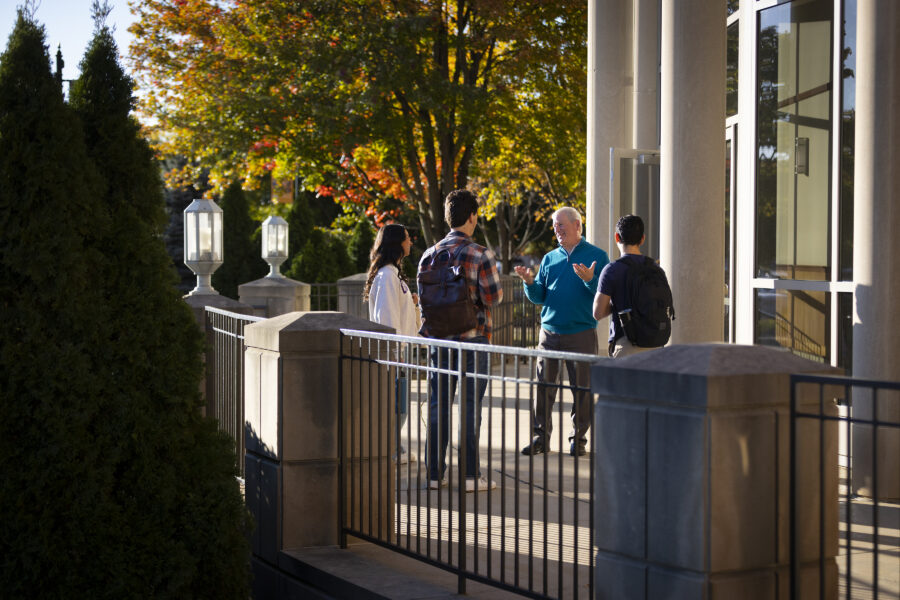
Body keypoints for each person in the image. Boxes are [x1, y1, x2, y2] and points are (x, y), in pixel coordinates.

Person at [418, 189, 503, 492]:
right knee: (470, 407)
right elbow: (493, 297)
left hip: (439, 340)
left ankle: (433, 474)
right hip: (472, 338)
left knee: (438, 405)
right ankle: (470, 476)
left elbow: (424, 303)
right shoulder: (480, 253)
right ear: (472, 216)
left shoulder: (428, 255)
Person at [516, 207, 609, 457]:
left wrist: (590, 278)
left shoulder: (598, 256)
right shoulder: (549, 258)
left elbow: (603, 297)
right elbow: (540, 298)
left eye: (561, 225)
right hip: (549, 334)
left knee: (582, 390)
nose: (557, 230)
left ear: (578, 225)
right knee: (543, 387)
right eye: (555, 226)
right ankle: (540, 438)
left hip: (581, 333)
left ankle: (578, 440)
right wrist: (529, 284)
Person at [364, 223, 419, 464]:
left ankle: (396, 448)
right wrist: (395, 353)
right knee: (396, 406)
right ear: (397, 243)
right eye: (407, 239)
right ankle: (392, 450)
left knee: (400, 404)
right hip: (394, 353)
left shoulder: (392, 275)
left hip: (399, 351)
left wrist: (413, 301)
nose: (410, 243)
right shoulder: (387, 276)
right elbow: (387, 318)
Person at [593, 214, 655, 358]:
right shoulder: (654, 267)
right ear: (642, 239)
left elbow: (597, 313)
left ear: (616, 237)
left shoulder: (612, 270)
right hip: (656, 345)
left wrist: (619, 303)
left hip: (627, 345)